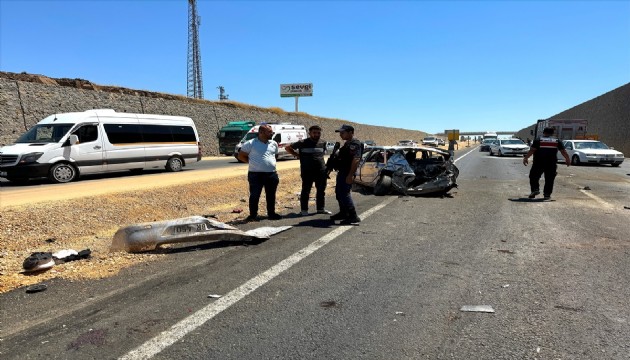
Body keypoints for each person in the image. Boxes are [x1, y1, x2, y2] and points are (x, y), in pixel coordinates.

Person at [237, 124, 282, 221]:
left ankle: (271, 213)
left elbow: (275, 155)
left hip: (271, 174)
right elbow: (241, 156)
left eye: (272, 131)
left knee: (271, 195)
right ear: (261, 132)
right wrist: (252, 162)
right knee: (254, 195)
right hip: (255, 174)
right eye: (269, 132)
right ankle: (253, 215)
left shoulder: (273, 143)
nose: (272, 133)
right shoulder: (250, 143)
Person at [286, 125, 332, 216]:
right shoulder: (302, 142)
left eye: (318, 133)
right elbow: (288, 147)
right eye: (314, 133)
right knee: (306, 190)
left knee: (321, 190)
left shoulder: (323, 142)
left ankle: (320, 209)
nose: (316, 134)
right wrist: (297, 155)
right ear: (309, 133)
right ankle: (304, 210)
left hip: (321, 171)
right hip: (307, 171)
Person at [523, 127, 570, 200]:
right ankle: (547, 195)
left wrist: (526, 158)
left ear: (544, 132)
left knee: (533, 176)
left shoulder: (538, 140)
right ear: (552, 133)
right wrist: (567, 159)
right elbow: (563, 151)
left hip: (538, 163)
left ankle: (535, 189)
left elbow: (532, 150)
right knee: (549, 179)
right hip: (551, 163)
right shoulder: (557, 141)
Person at [330, 124, 362, 225]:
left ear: (350, 133)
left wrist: (350, 175)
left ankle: (353, 216)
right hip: (342, 171)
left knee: (344, 193)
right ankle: (343, 212)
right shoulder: (347, 144)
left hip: (347, 172)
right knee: (339, 193)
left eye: (342, 132)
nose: (340, 134)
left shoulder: (354, 144)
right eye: (340, 132)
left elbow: (356, 159)